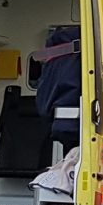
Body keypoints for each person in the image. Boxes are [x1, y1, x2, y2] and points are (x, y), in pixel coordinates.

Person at [33, 24, 82, 155]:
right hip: (81, 131)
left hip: (66, 130)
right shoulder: (75, 58)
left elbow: (43, 107)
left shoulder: (58, 59)